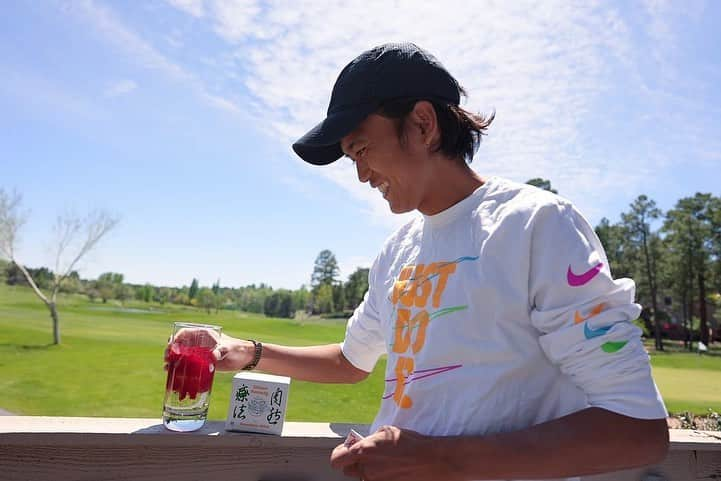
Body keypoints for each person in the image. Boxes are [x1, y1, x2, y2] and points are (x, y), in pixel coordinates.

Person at [199, 43, 669, 481]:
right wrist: (251, 353)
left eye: (361, 149)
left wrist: (438, 460)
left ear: (423, 124)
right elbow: (351, 360)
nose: (361, 175)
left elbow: (637, 428)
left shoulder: (537, 224)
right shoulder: (395, 251)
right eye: (350, 159)